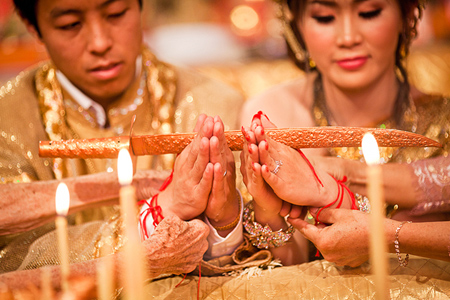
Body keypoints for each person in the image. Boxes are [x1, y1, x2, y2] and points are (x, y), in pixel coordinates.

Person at [0, 0, 244, 287]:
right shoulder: (7, 121)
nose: (100, 43)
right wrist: (159, 212)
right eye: (70, 25)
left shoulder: (213, 103)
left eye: (115, 14)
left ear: (143, 8)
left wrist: (226, 221)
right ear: (34, 28)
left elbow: (250, 252)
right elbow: (10, 256)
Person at [240, 0, 450, 267]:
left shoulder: (444, 124)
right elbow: (282, 273)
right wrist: (267, 212)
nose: (348, 37)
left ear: (406, 16)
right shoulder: (276, 114)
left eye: (369, 13)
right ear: (297, 23)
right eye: (325, 17)